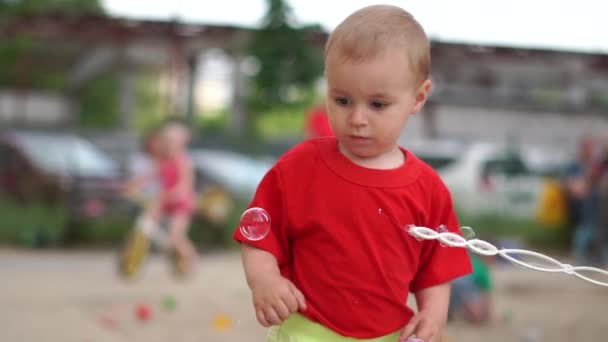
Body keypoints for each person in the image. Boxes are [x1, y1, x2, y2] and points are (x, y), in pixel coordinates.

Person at [233, 5, 472, 342]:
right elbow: (258, 235)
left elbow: (437, 268)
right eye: (342, 100)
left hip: (389, 335)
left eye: (377, 105)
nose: (357, 118)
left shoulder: (428, 188)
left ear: (418, 98)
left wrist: (433, 315)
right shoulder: (300, 167)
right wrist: (265, 280)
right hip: (307, 330)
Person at [150, 121, 197, 275]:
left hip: (182, 203)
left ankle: (189, 260)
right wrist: (134, 185)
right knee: (149, 223)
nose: (168, 143)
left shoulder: (184, 161)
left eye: (171, 140)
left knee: (176, 237)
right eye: (166, 140)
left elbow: (185, 186)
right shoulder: (163, 160)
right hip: (166, 201)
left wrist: (168, 194)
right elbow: (151, 176)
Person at [449, 253, 495, 325]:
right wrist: (489, 313)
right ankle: (475, 313)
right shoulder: (482, 267)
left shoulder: (469, 260)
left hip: (449, 286)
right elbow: (486, 293)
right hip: (462, 286)